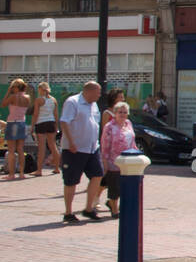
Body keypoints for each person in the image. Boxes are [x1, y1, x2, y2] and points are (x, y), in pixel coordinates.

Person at [60, 81, 104, 224]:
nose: (99, 95)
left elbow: (94, 123)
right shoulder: (73, 102)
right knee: (71, 181)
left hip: (92, 148)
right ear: (89, 91)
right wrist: (71, 142)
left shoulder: (94, 105)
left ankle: (88, 209)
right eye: (98, 92)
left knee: (97, 175)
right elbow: (64, 122)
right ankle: (68, 212)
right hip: (75, 149)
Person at [100, 100, 138, 220]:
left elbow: (132, 141)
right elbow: (105, 145)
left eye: (125, 112)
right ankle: (114, 210)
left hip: (128, 161)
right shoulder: (109, 126)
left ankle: (117, 206)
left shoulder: (128, 124)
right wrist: (105, 162)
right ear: (115, 113)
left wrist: (136, 155)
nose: (122, 114)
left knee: (126, 186)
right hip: (113, 161)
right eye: (120, 112)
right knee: (114, 187)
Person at [2, 78, 32, 179]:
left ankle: (11, 174)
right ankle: (22, 173)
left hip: (12, 123)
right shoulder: (27, 97)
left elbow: (3, 104)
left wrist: (7, 92)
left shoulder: (13, 97)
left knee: (11, 150)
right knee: (20, 149)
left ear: (16, 87)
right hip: (22, 123)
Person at [33, 81, 60, 176]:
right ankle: (57, 168)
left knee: (41, 147)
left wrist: (32, 126)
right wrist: (56, 125)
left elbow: (35, 114)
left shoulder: (39, 100)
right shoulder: (53, 100)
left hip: (41, 123)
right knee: (53, 145)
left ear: (41, 89)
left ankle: (39, 170)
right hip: (51, 123)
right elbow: (56, 114)